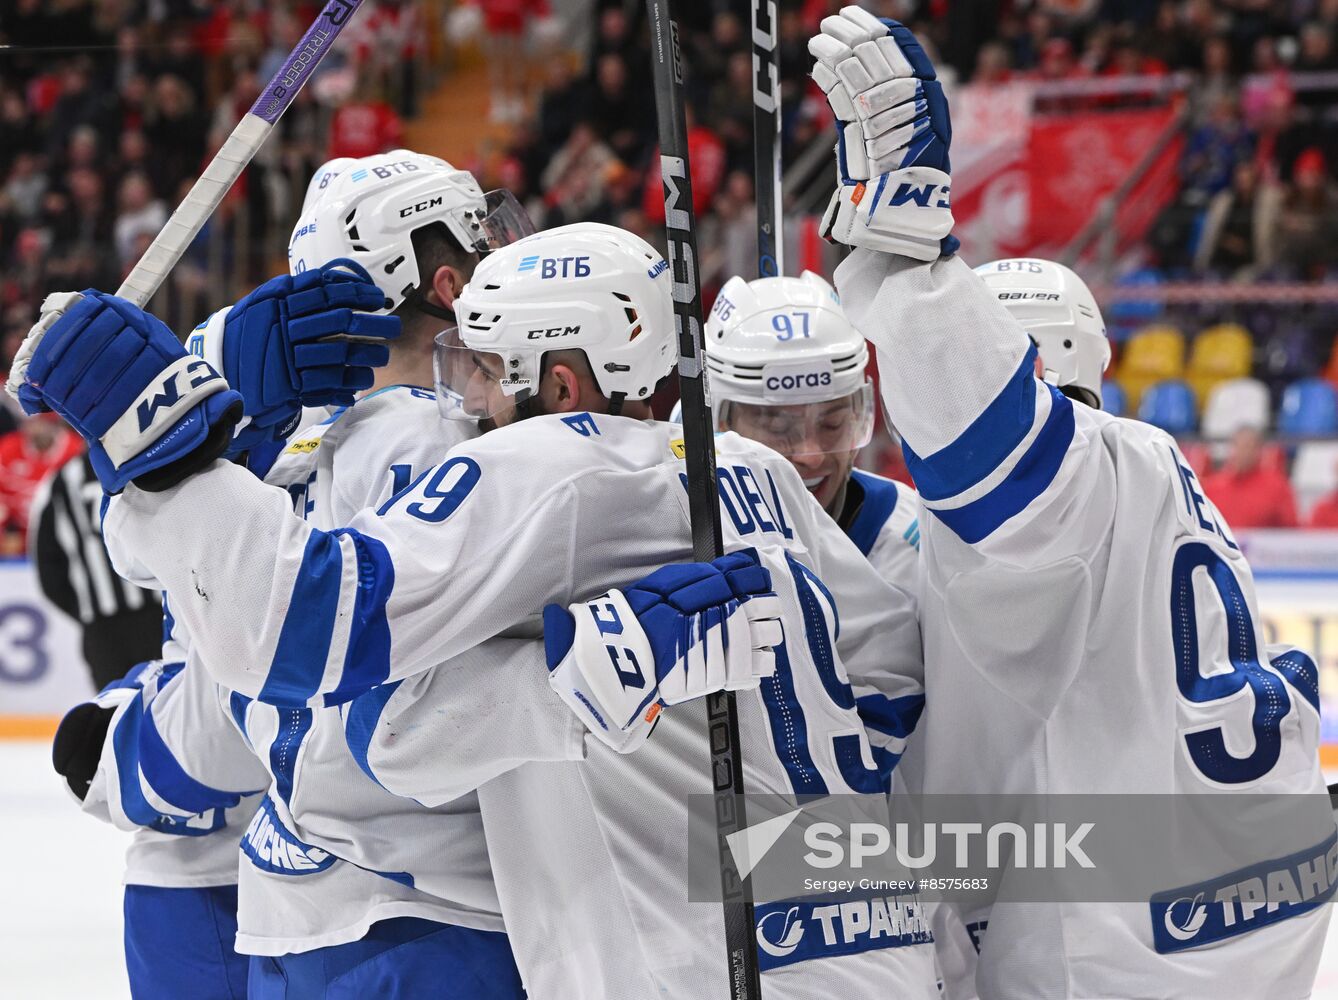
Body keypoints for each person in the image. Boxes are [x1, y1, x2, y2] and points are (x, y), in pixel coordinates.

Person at [19, 221, 935, 997]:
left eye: (492, 369)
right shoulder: (757, 472)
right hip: (874, 948)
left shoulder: (547, 469)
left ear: (563, 383)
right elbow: (892, 672)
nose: (469, 398)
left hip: (679, 969)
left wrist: (168, 458)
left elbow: (297, 631)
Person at [809, 10, 1328, 999]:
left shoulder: (1076, 479)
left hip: (1130, 942)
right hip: (1250, 908)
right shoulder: (1159, 467)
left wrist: (911, 254)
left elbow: (999, 455)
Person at [51, 150, 537, 999]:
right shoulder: (455, 447)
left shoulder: (280, 445)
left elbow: (141, 552)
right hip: (435, 911)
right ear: (452, 282)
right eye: (484, 244)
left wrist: (134, 745)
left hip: (272, 898)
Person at [703, 270, 920, 591]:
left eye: (832, 423)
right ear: (721, 426)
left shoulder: (908, 537)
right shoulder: (683, 534)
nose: (812, 456)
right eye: (778, 427)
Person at [28, 450, 163, 690]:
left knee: (113, 714)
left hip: (103, 629)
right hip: (157, 613)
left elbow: (48, 568)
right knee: (170, 706)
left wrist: (87, 611)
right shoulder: (146, 460)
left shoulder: (60, 481)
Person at [1199, 426, 1299, 529]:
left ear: (1258, 450)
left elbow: (1292, 530)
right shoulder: (1213, 487)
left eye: (1247, 447)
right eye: (1237, 446)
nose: (1241, 452)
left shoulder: (1277, 487)